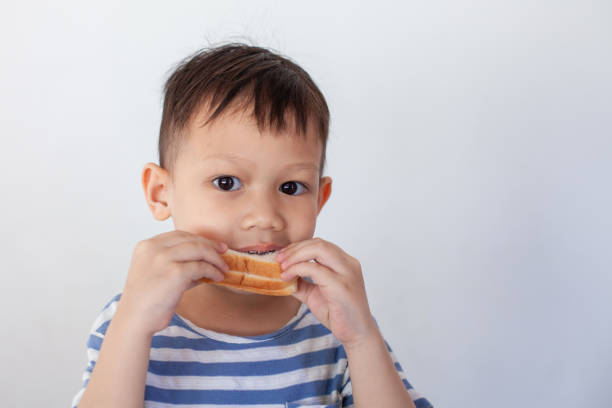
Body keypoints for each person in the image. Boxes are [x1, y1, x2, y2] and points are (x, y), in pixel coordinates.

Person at [72, 43, 433, 408]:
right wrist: (133, 325)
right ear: (161, 193)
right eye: (227, 182)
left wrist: (362, 338)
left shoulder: (337, 327)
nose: (264, 216)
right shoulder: (130, 319)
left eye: (291, 187)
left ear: (319, 200)